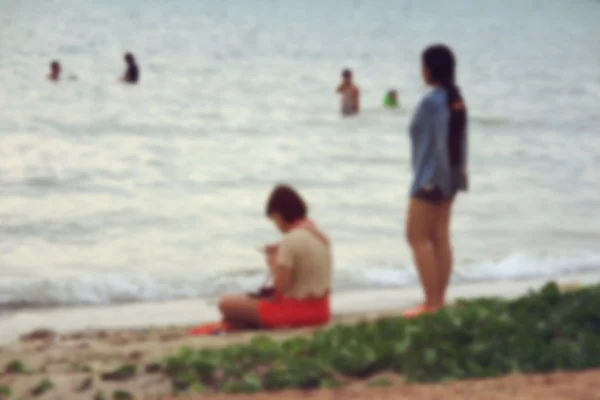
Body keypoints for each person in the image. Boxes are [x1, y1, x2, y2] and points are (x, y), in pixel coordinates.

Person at [404, 44, 468, 318]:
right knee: (439, 237)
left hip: (431, 178)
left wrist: (433, 179)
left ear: (429, 70)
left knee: (416, 237)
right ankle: (438, 302)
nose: (421, 71)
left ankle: (431, 303)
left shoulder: (433, 101)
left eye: (423, 65)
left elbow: (435, 143)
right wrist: (454, 178)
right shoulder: (455, 98)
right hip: (450, 177)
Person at [217, 184, 332, 332]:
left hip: (298, 314)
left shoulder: (289, 241)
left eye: (274, 220)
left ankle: (245, 324)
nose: (277, 226)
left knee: (225, 304)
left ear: (279, 215)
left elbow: (281, 288)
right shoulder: (320, 238)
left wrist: (273, 264)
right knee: (241, 309)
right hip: (322, 312)